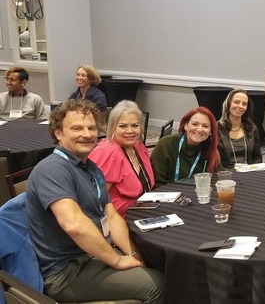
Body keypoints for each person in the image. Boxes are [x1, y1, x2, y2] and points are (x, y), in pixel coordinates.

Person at [25, 99, 165, 303]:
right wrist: (117, 260)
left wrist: (132, 254)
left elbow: (111, 215)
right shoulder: (53, 169)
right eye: (77, 128)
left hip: (93, 256)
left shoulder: (90, 167)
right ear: (58, 134)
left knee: (160, 263)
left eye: (91, 128)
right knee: (157, 284)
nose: (87, 134)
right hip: (67, 271)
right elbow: (74, 225)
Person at [89, 100, 155, 218]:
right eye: (123, 126)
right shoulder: (108, 154)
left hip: (142, 214)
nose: (130, 131)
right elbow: (95, 200)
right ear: (113, 127)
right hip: (117, 221)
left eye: (135, 125)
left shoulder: (138, 147)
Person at [151, 106, 221, 186]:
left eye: (205, 126)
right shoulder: (166, 145)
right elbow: (157, 183)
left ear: (211, 132)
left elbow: (220, 178)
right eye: (195, 124)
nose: (199, 129)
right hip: (168, 196)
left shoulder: (211, 151)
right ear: (186, 126)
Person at [218, 89, 263, 169]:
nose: (240, 106)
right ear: (228, 103)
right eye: (236, 102)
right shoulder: (216, 128)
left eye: (244, 104)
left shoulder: (252, 128)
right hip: (226, 174)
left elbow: (257, 157)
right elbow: (214, 161)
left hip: (248, 173)